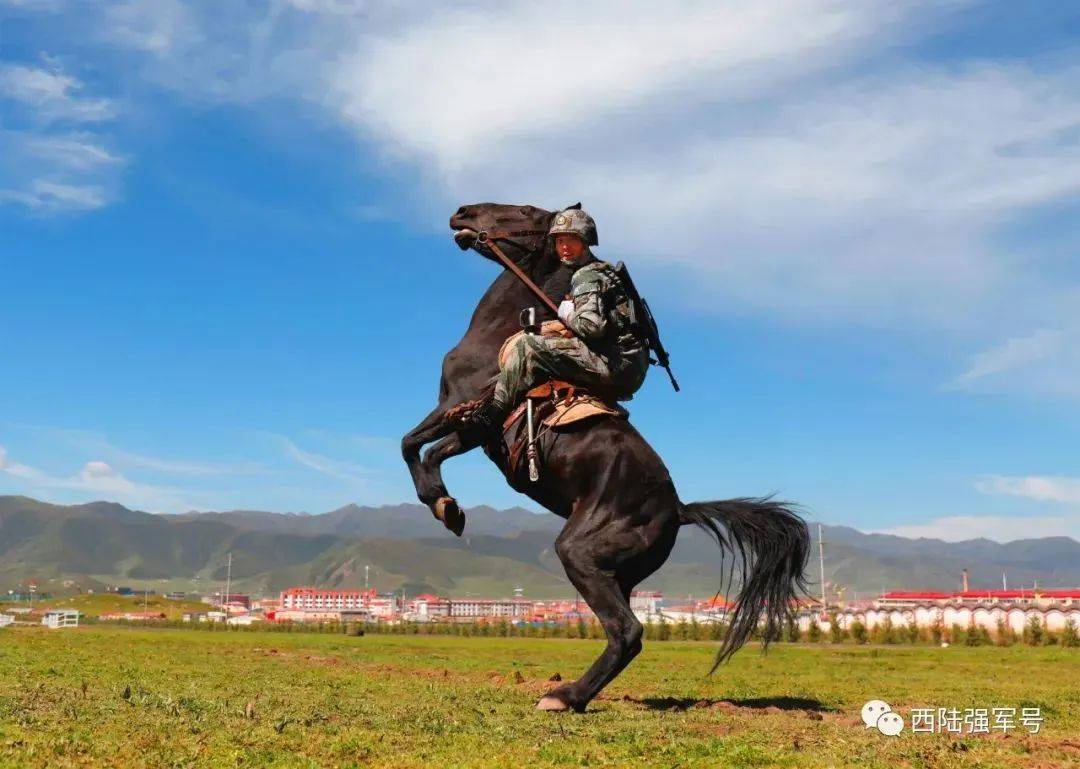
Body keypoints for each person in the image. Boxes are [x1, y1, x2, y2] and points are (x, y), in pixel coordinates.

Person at [454, 207, 650, 431]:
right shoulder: (604, 271)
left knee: (528, 346)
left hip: (614, 364)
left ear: (585, 242)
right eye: (559, 241)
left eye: (572, 240)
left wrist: (566, 312)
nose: (564, 248)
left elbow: (591, 327)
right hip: (629, 365)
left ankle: (492, 414)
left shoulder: (586, 275)